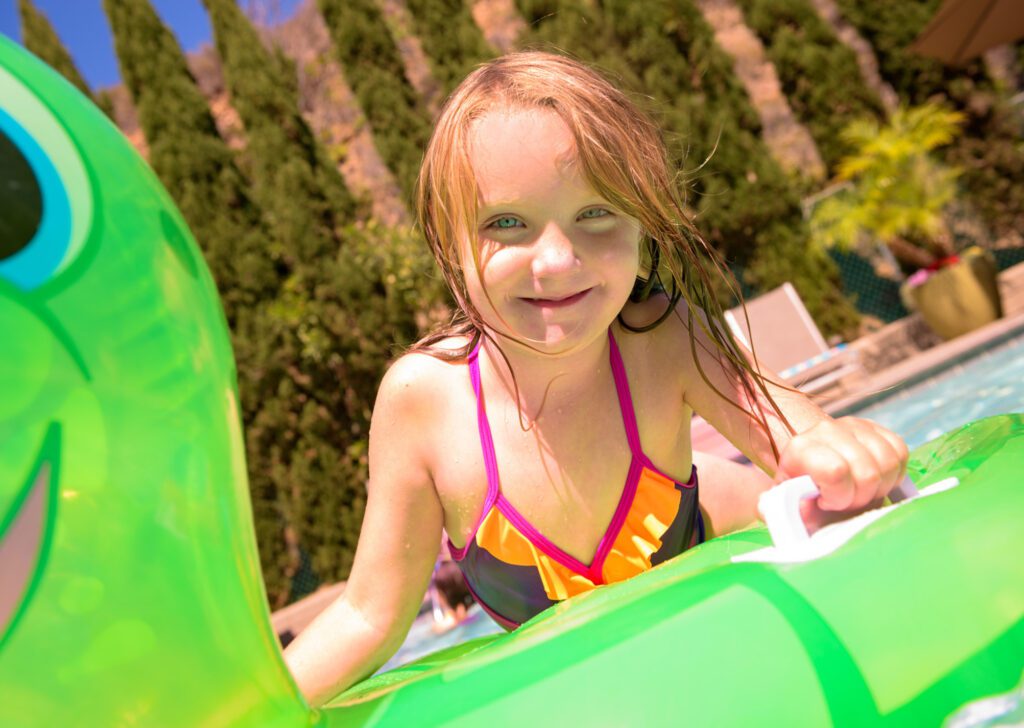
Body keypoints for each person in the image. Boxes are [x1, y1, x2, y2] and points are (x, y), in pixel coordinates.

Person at [284, 51, 908, 706]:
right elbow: (369, 615)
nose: (557, 260)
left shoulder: (663, 337)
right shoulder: (423, 401)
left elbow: (792, 432)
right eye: (505, 223)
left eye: (596, 214)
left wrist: (834, 451)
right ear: (447, 241)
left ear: (642, 223)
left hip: (717, 520)